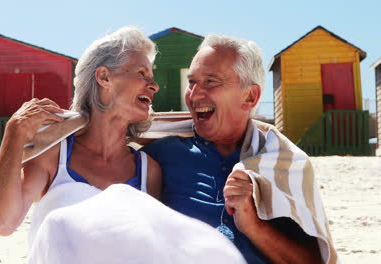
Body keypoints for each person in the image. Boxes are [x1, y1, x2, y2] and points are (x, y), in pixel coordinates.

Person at [142, 34, 335, 263]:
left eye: (210, 82)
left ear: (250, 96)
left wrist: (253, 225)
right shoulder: (161, 156)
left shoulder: (284, 164)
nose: (194, 95)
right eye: (191, 82)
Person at [0, 27, 162, 245]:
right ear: (104, 77)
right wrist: (14, 132)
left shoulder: (148, 171)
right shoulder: (53, 157)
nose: (154, 86)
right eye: (142, 74)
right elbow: (2, 223)